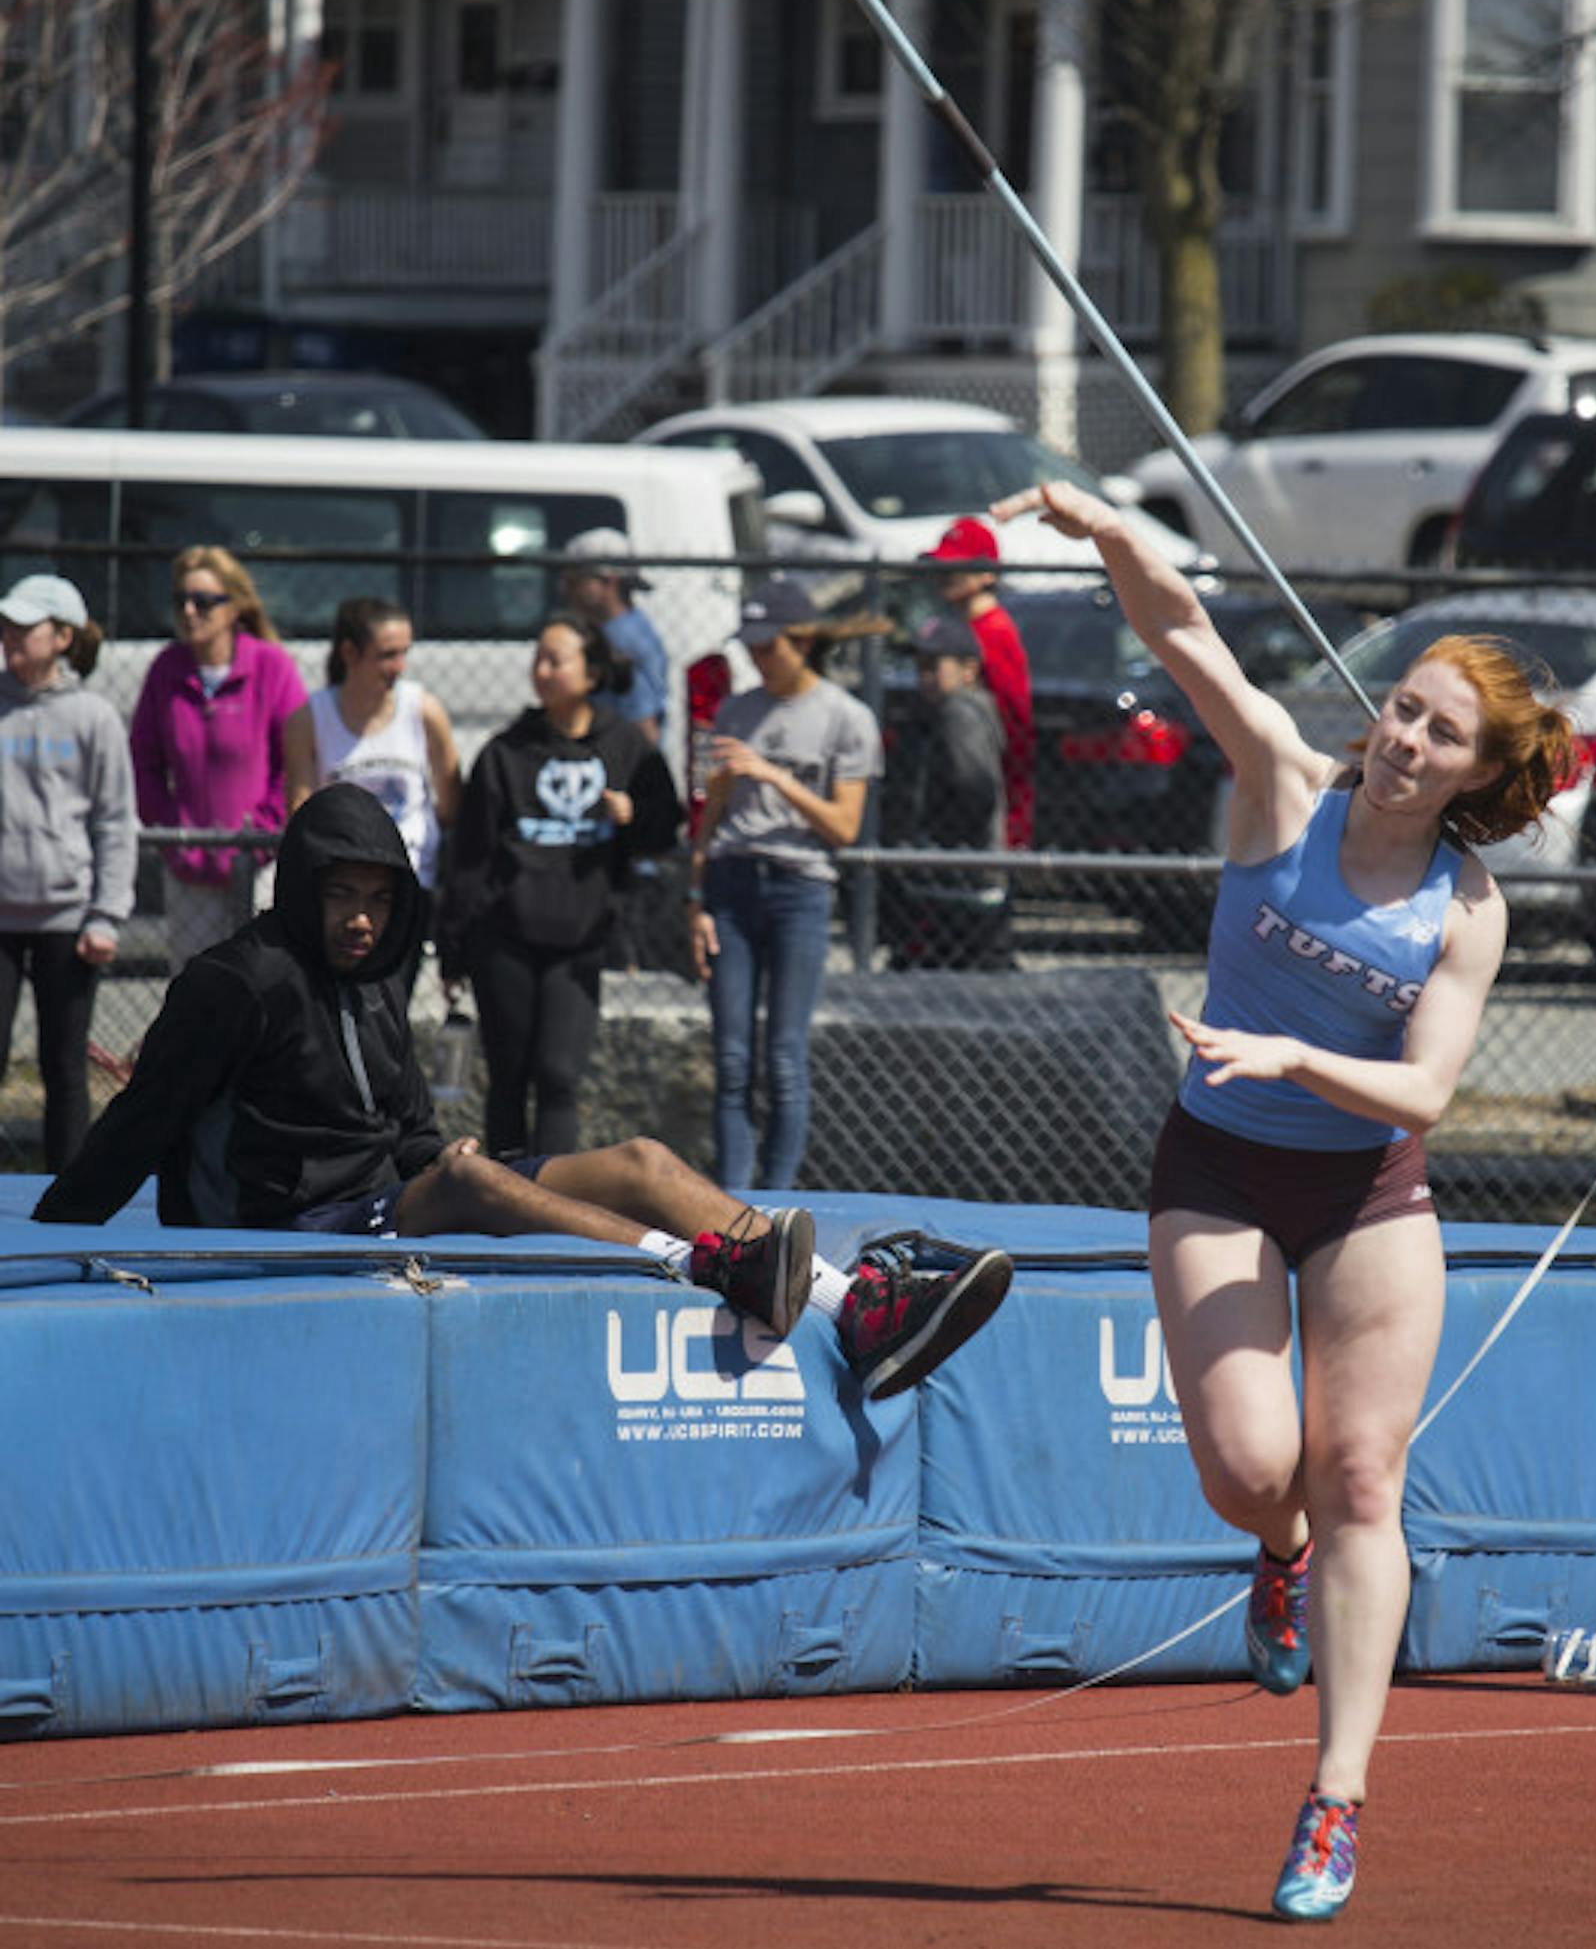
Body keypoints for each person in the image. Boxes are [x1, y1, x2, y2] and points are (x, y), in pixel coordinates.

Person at [995, 477, 1575, 1924]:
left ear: (1472, 772)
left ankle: (1337, 1796)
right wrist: (1115, 533)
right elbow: (1189, 635)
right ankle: (1277, 1553)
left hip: (1368, 1185)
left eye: (1440, 730)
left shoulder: (1467, 906)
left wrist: (1300, 1048)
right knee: (1260, 1468)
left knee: (1364, 1471)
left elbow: (1428, 1095)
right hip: (1220, 1164)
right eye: (1400, 707)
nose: (1404, 737)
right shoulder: (1281, 782)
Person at [33, 783, 1013, 1401]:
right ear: (301, 887)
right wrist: (48, 1229)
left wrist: (439, 1161)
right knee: (469, 1182)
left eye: (380, 898)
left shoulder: (376, 978)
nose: (364, 919)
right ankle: (715, 1265)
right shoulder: (234, 982)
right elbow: (144, 1115)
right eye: (342, 895)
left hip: (383, 1194)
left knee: (640, 1160)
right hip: (293, 1218)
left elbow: (410, 1127)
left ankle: (859, 1309)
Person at [436, 612, 681, 1158]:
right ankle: (504, 1203)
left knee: (558, 1075)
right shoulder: (506, 751)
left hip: (580, 941)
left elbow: (666, 824)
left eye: (556, 659)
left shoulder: (625, 745)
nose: (542, 670)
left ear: (591, 673)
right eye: (537, 658)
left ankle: (551, 1206)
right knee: (508, 1076)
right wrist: (453, 946)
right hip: (505, 939)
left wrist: (633, 814)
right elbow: (471, 857)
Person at [690, 574, 884, 1191]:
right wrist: (695, 898)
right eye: (750, 646)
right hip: (731, 884)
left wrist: (772, 775)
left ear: (801, 641)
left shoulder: (845, 718)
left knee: (784, 1056)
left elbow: (843, 828)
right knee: (731, 1056)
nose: (757, 658)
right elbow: (709, 815)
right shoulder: (736, 710)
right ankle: (733, 1200)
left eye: (769, 646)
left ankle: (774, 1203)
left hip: (799, 888)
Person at [0, 574, 138, 1170]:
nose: (9, 636)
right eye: (6, 625)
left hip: (68, 916)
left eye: (23, 627)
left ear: (61, 637)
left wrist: (105, 914)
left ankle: (66, 1193)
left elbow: (114, 820)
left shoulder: (93, 717)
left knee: (63, 1066)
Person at [128, 544, 308, 969]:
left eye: (204, 602)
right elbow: (143, 763)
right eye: (181, 601)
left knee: (263, 980)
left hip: (261, 860)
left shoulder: (271, 667)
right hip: (191, 869)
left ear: (234, 607)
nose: (190, 611)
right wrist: (176, 840)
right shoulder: (166, 670)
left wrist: (260, 836)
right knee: (197, 986)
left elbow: (294, 761)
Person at [282, 597, 462, 941]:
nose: (400, 666)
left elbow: (450, 802)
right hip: (342, 890)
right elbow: (300, 812)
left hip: (408, 883)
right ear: (349, 654)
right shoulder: (310, 718)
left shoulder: (423, 710)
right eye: (387, 655)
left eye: (404, 653)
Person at [879, 611, 1012, 970]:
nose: (923, 676)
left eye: (934, 665)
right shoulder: (939, 711)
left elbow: (974, 788)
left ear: (969, 669)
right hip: (953, 879)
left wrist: (935, 839)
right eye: (919, 665)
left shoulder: (961, 712)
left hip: (962, 879)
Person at [920, 516, 1034, 849]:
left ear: (987, 574)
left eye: (956, 567)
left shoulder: (993, 631)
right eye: (942, 566)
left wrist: (1013, 806)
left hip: (984, 789)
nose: (944, 576)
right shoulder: (957, 625)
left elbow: (1013, 720)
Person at [559, 527, 670, 743]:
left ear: (608, 581)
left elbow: (644, 725)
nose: (566, 590)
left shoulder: (621, 641)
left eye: (575, 581)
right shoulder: (631, 626)